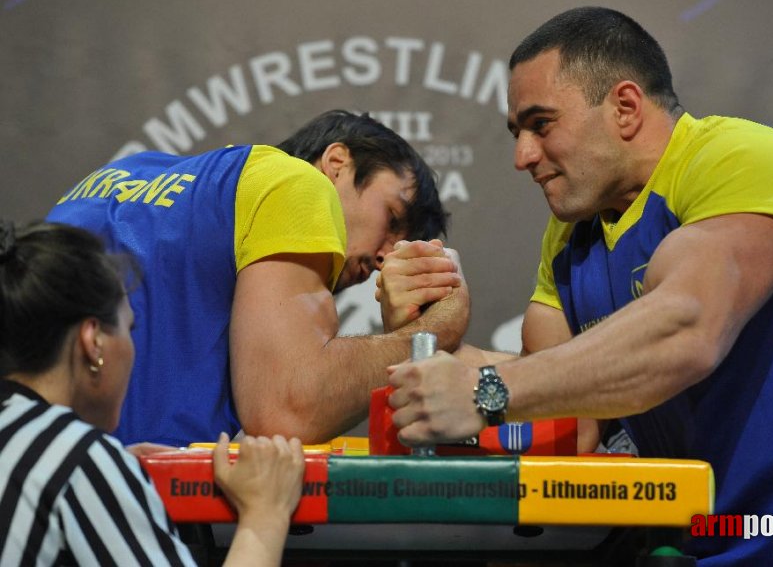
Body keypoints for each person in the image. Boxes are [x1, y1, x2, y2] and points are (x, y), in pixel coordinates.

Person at [382, 7, 773, 564]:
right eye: (517, 132)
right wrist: (428, 335)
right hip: (694, 542)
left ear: (626, 108)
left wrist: (483, 391)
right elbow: (567, 414)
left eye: (541, 124)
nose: (522, 156)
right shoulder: (570, 234)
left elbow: (686, 328)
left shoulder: (742, 158)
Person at [46, 109, 467, 447]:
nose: (384, 257)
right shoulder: (297, 182)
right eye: (391, 217)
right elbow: (287, 410)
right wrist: (435, 330)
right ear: (336, 164)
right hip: (116, 506)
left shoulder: (119, 174)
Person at [0, 220, 305, 566]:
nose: (132, 347)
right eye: (130, 328)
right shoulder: (73, 458)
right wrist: (265, 515)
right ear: (93, 342)